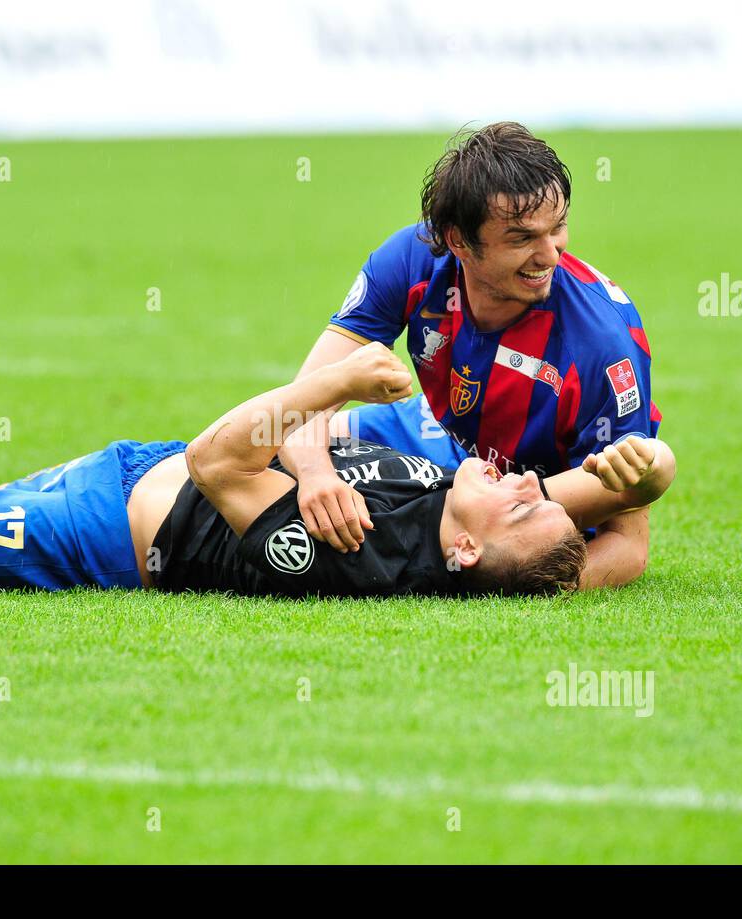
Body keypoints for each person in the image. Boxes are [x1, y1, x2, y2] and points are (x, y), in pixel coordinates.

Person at [0, 344, 674, 598]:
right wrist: (649, 465)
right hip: (137, 472)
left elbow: (216, 454)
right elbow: (614, 495)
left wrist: (327, 390)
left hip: (105, 529)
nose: (532, 480)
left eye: (523, 499)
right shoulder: (465, 508)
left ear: (460, 547)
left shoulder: (331, 549)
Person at [281, 122, 663, 590]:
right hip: (441, 439)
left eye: (558, 227)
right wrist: (316, 476)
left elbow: (628, 544)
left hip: (528, 494)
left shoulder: (603, 347)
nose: (550, 255)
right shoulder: (412, 260)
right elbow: (299, 404)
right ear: (458, 240)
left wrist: (506, 586)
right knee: (279, 451)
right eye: (522, 238)